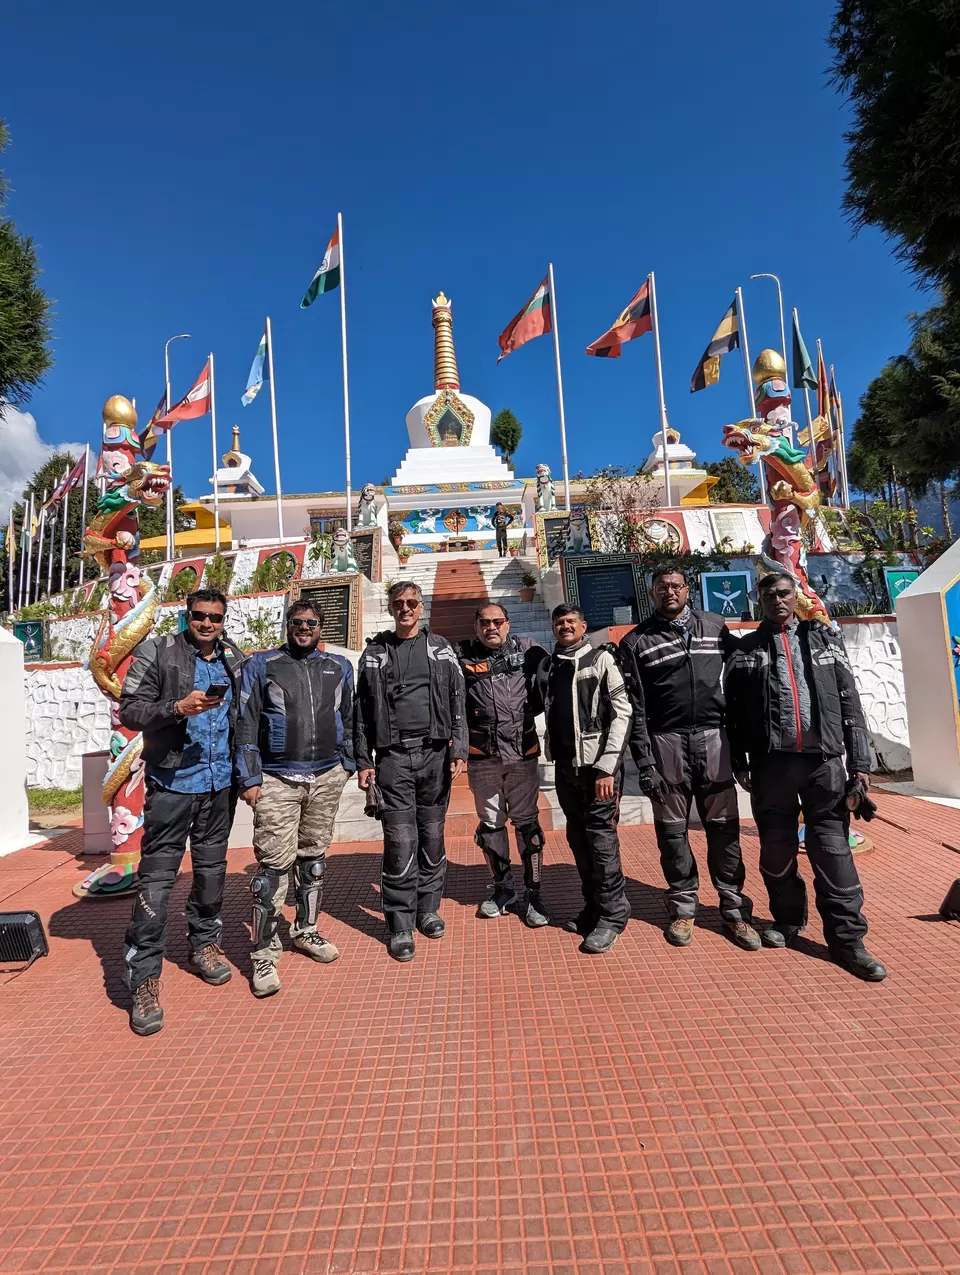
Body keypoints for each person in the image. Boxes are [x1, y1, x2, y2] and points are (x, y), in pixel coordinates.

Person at [724, 572, 887, 981]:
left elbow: (851, 704)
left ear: (794, 595)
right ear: (758, 598)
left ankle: (849, 942)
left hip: (824, 766)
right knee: (776, 852)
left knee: (833, 854)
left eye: (784, 593)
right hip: (771, 767)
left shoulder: (826, 640)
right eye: (769, 594)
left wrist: (861, 766)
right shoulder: (746, 649)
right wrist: (740, 762)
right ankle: (787, 921)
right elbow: (735, 713)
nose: (777, 600)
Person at [119, 589, 245, 1035]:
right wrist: (177, 708)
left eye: (214, 617)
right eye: (199, 616)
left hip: (218, 788)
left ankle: (204, 945)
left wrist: (246, 776)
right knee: (155, 884)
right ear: (186, 616)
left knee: (211, 875)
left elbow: (243, 719)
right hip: (172, 786)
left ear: (223, 619)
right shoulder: (159, 651)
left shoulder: (232, 657)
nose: (206, 623)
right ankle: (143, 978)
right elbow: (129, 710)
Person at [618, 566, 759, 951]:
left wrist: (743, 752)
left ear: (688, 591)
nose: (669, 592)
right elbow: (635, 709)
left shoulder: (715, 627)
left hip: (716, 739)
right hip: (666, 744)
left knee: (725, 830)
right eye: (662, 587)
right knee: (673, 834)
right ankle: (683, 907)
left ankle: (734, 909)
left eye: (676, 586)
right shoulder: (636, 642)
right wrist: (645, 765)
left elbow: (740, 682)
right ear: (651, 593)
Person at [235, 600, 355, 998]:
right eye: (297, 622)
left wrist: (350, 763)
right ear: (287, 625)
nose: (304, 628)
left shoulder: (338, 667)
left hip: (326, 774)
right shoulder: (262, 664)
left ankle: (307, 930)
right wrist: (249, 776)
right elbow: (246, 720)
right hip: (276, 778)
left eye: (311, 623)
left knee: (314, 859)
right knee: (272, 867)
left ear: (322, 627)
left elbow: (352, 718)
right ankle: (264, 952)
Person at [354, 581, 467, 962]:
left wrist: (459, 747)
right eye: (399, 603)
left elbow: (457, 699)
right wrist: (363, 760)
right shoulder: (374, 653)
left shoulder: (441, 649)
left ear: (422, 607)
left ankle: (427, 909)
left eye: (412, 603)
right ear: (389, 608)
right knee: (400, 841)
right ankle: (400, 923)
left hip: (435, 755)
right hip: (393, 759)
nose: (406, 609)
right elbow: (360, 712)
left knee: (432, 836)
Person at [535, 603, 632, 954]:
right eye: (559, 622)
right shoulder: (550, 665)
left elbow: (623, 714)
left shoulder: (602, 660)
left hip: (598, 770)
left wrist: (607, 766)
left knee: (601, 843)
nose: (565, 627)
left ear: (583, 625)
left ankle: (612, 915)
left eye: (571, 621)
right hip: (566, 768)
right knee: (579, 841)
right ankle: (593, 907)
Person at [457, 603, 549, 926]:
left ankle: (533, 892)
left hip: (522, 753)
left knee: (528, 827)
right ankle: (503, 889)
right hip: (483, 757)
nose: (491, 627)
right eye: (485, 622)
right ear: (476, 625)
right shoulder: (462, 657)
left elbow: (549, 686)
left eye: (498, 621)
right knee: (491, 825)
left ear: (507, 624)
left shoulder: (528, 650)